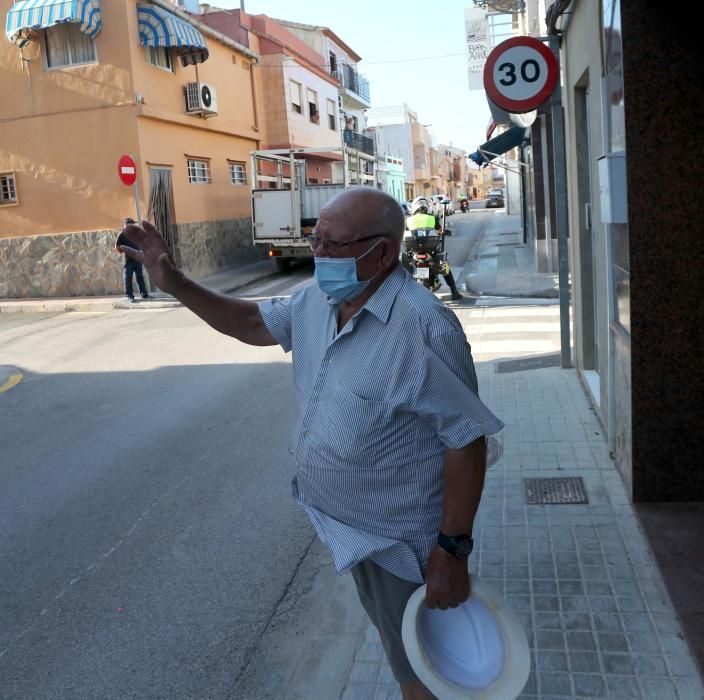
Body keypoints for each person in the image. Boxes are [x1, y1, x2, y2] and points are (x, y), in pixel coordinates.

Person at [119, 188, 503, 700]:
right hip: (355, 534)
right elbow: (254, 323)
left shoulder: (423, 328)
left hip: (405, 547)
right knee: (403, 652)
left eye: (332, 244)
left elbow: (465, 439)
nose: (318, 254)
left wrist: (451, 553)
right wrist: (175, 283)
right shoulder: (320, 302)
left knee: (427, 672)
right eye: (315, 239)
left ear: (383, 252)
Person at [405, 197, 464, 301]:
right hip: (430, 251)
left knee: (406, 264)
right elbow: (440, 231)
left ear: (414, 208)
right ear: (427, 208)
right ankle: (454, 292)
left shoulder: (408, 220)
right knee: (444, 265)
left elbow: (404, 233)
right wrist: (445, 232)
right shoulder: (432, 218)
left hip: (414, 251)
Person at [115, 220, 150, 302]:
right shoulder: (122, 234)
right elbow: (117, 245)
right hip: (128, 260)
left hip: (137, 258)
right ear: (126, 225)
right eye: (131, 224)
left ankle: (144, 294)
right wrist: (121, 252)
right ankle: (130, 296)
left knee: (140, 277)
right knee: (128, 278)